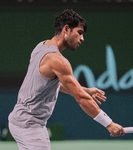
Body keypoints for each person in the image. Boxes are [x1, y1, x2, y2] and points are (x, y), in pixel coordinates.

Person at [8, 9, 125, 150]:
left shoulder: (41, 46)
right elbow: (81, 99)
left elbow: (50, 84)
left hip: (20, 120)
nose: (82, 38)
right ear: (66, 29)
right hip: (29, 126)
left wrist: (86, 90)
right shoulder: (58, 61)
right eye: (79, 33)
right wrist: (109, 124)